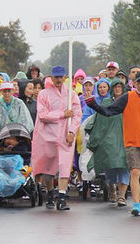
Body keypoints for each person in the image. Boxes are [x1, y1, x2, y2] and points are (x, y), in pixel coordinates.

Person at [85, 70, 140, 216]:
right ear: (134, 83)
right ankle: (136, 204)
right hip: (132, 142)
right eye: (139, 82)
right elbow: (109, 111)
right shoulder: (128, 97)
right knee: (135, 171)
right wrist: (93, 104)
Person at [32, 66, 82, 211]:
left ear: (65, 77)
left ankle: (61, 197)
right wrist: (62, 114)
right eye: (56, 77)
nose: (59, 79)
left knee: (65, 165)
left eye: (61, 77)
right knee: (48, 168)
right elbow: (42, 115)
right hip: (47, 135)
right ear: (52, 78)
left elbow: (77, 114)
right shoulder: (43, 94)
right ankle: (49, 193)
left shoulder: (71, 95)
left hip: (66, 135)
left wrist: (72, 131)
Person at [87, 78, 129, 206]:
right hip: (109, 139)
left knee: (124, 166)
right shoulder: (106, 102)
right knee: (110, 165)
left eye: (119, 87)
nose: (117, 89)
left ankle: (121, 195)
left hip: (125, 138)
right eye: (115, 87)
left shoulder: (129, 101)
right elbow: (100, 119)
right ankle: (111, 187)